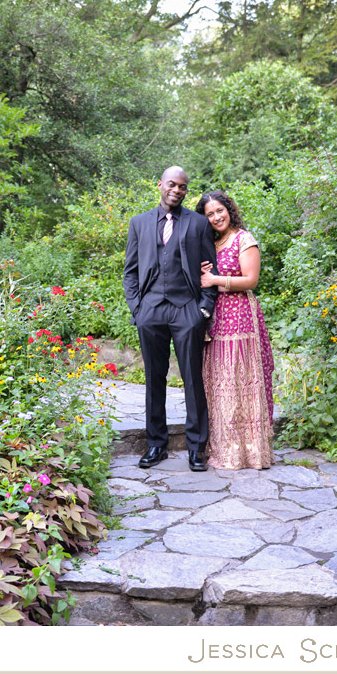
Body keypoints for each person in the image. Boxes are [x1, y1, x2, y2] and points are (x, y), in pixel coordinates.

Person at [123, 167, 218, 472]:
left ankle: (195, 448)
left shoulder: (199, 223)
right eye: (172, 184)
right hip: (151, 310)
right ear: (160, 185)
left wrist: (203, 309)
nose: (177, 190)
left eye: (183, 187)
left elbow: (209, 270)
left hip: (186, 310)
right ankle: (156, 445)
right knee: (154, 378)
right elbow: (131, 271)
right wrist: (137, 309)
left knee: (192, 379)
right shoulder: (138, 224)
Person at [196, 190, 276, 470]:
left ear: (229, 210)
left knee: (241, 381)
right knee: (219, 384)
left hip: (241, 318)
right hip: (215, 321)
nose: (216, 217)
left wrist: (214, 280)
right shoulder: (210, 243)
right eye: (210, 214)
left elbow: (251, 280)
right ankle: (225, 449)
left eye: (220, 210)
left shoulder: (244, 239)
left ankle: (251, 452)